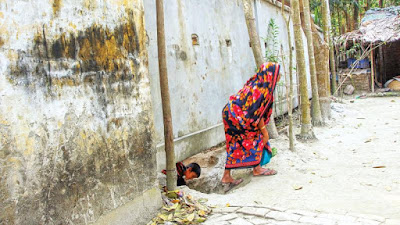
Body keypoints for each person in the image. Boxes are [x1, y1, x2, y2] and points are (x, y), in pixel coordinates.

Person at [221, 62, 280, 189]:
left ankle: (226, 176)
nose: (279, 76)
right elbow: (256, 114)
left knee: (234, 142)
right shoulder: (263, 91)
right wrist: (264, 131)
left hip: (230, 113)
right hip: (236, 117)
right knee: (256, 137)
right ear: (270, 75)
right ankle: (257, 169)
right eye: (277, 73)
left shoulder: (255, 84)